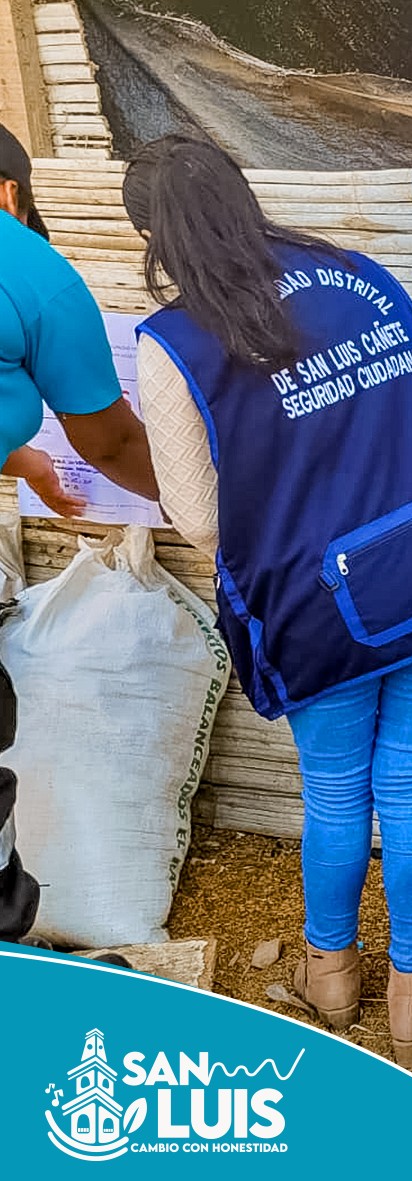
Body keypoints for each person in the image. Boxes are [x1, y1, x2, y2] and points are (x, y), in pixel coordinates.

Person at [121, 135, 412, 1068]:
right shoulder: (361, 276)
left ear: (152, 235)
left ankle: (332, 973)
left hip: (321, 609)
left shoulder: (175, 341)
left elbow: (194, 517)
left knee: (338, 793)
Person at [1, 122, 161, 948]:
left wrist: (22, 459)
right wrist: (203, 503)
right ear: (8, 190)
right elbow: (109, 442)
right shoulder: (29, 269)